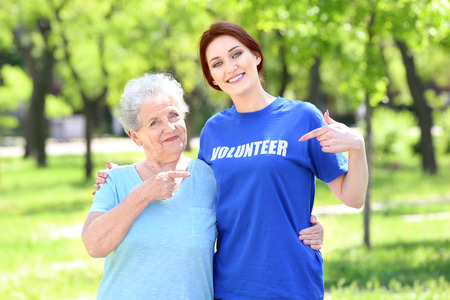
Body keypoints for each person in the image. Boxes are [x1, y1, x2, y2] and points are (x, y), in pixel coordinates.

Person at [196, 21, 368, 299]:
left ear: (256, 56)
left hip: (291, 282)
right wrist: (124, 180)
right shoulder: (212, 131)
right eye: (216, 63)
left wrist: (358, 149)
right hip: (230, 285)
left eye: (236, 54)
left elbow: (353, 197)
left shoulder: (302, 117)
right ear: (212, 79)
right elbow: (197, 203)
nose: (230, 67)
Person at [82, 72, 218, 299]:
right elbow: (94, 246)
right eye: (154, 122)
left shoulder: (210, 178)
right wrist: (143, 193)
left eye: (173, 115)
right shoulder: (115, 180)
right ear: (135, 137)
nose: (169, 127)